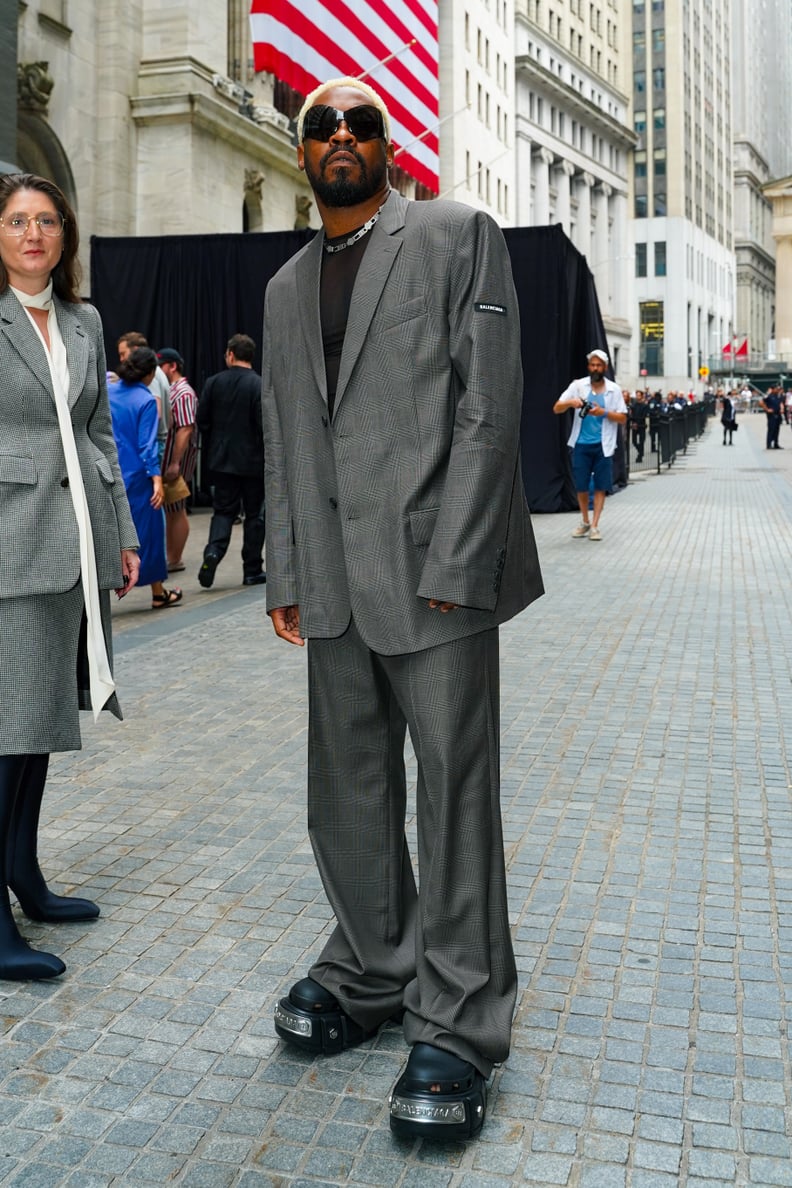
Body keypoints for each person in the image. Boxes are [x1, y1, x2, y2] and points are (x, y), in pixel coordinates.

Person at [261, 77, 543, 1142]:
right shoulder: (286, 286)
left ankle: (462, 1022)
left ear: (389, 143)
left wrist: (463, 557)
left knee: (454, 797)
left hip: (436, 573)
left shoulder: (455, 233)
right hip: (332, 584)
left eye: (360, 123)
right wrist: (287, 573)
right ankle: (378, 969)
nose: (341, 136)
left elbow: (489, 403)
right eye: (321, 126)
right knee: (347, 787)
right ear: (304, 156)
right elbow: (293, 438)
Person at [0, 172, 140, 980]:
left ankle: (23, 872)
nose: (32, 233)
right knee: (6, 729)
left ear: (66, 234)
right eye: (17, 220)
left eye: (47, 220)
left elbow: (97, 437)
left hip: (76, 542)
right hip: (11, 543)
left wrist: (121, 532)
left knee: (41, 721)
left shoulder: (83, 319)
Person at [108, 347, 183, 608]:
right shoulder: (146, 401)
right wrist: (157, 480)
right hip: (138, 478)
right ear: (151, 373)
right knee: (149, 534)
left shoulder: (109, 390)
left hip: (109, 473)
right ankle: (158, 592)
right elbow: (147, 446)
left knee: (110, 533)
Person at [196, 333, 266, 588]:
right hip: (253, 463)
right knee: (255, 515)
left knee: (223, 511)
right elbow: (263, 426)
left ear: (230, 354)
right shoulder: (258, 385)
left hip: (221, 461)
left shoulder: (213, 383)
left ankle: (213, 552)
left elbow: (202, 420)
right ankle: (252, 569)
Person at [553, 349, 628, 541]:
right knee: (581, 485)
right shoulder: (578, 386)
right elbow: (556, 408)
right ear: (589, 367)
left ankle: (595, 525)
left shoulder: (614, 390)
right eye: (592, 365)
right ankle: (585, 521)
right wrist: (572, 402)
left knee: (601, 486)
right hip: (581, 444)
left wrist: (602, 412)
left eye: (599, 365)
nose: (595, 368)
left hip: (603, 445)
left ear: (605, 367)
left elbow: (622, 418)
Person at [157, 347, 198, 570]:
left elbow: (185, 429)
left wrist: (174, 463)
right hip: (170, 461)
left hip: (176, 462)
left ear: (172, 366)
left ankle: (175, 558)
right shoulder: (172, 390)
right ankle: (171, 556)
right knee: (171, 509)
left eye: (161, 365)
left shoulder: (183, 393)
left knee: (176, 508)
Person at [117, 331, 171, 464]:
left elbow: (156, 412)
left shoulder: (148, 374)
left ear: (135, 350)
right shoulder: (156, 372)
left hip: (149, 445)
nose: (122, 359)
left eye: (123, 354)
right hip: (155, 442)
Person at [760, 385, 783, 449]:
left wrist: (781, 408)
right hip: (771, 415)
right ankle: (769, 444)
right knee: (771, 429)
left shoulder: (778, 396)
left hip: (778, 414)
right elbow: (761, 402)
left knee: (777, 430)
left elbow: (780, 403)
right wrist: (767, 409)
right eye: (776, 389)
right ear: (772, 389)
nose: (777, 390)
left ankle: (776, 443)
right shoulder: (768, 396)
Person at [629, 389, 648, 462]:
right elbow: (632, 415)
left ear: (642, 396)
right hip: (634, 425)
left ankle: (640, 456)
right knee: (634, 441)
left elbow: (644, 415)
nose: (637, 397)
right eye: (637, 395)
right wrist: (633, 422)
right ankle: (640, 452)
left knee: (642, 441)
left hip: (641, 425)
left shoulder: (644, 406)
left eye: (639, 395)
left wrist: (637, 422)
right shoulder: (633, 405)